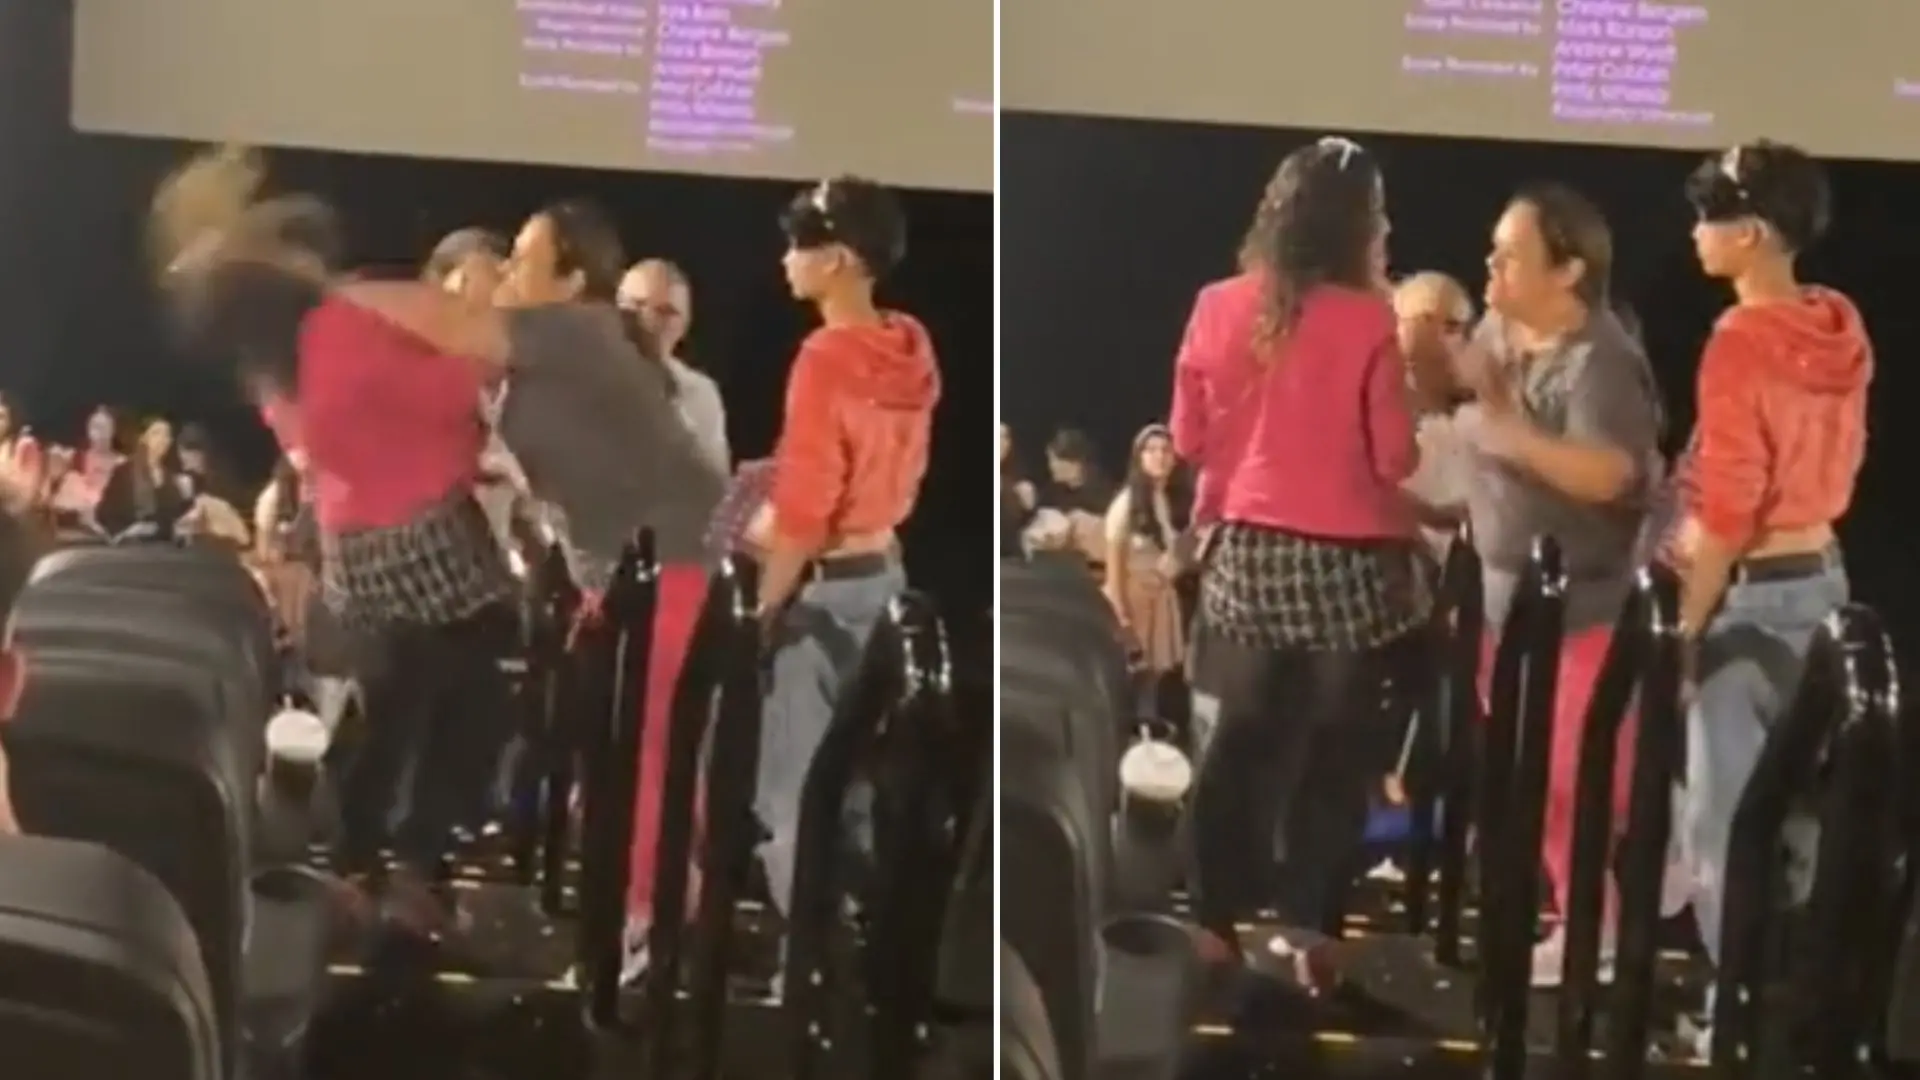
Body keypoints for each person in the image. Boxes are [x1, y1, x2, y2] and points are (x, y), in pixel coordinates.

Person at [149, 145, 537, 938]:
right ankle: (412, 863)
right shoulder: (344, 323)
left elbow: (325, 443)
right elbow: (452, 385)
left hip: (355, 551)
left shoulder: (276, 368)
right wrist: (479, 385)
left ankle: (359, 865)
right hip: (424, 539)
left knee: (395, 704)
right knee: (477, 685)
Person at [1169, 136, 1447, 970]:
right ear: (1359, 224)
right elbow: (1393, 459)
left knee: (1237, 750)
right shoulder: (1370, 318)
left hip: (1250, 561)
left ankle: (1211, 922)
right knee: (1335, 759)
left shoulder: (1216, 304)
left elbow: (1186, 438)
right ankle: (1308, 933)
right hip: (1351, 572)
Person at [489, 198, 727, 982]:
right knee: (625, 758)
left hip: (665, 576)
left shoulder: (580, 353)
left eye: (523, 257)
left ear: (570, 281)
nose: (507, 270)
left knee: (649, 755)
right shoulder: (563, 354)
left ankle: (648, 927)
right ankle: (650, 916)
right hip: (621, 579)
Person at [1668, 141, 1866, 1054]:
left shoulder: (1739, 342)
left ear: (1748, 232)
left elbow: (1730, 511)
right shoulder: (1839, 322)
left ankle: (1734, 1015)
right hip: (1826, 585)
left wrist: (1685, 628)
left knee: (1723, 828)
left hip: (1751, 600)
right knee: (1795, 816)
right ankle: (1790, 1000)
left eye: (1708, 217)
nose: (1695, 234)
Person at [1458, 183, 1664, 985]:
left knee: (1570, 782)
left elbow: (1612, 473)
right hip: (1504, 604)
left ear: (1568, 270)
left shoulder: (1602, 361)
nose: (1492, 266)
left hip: (1580, 613)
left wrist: (1509, 436)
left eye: (1511, 255)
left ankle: (1594, 934)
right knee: (1531, 777)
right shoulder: (1501, 328)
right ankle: (1579, 910)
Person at [748, 176, 939, 942]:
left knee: (791, 795)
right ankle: (861, 950)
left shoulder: (825, 357)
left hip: (825, 595)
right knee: (856, 785)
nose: (786, 260)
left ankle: (811, 965)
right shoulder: (912, 346)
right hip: (886, 580)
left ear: (838, 258)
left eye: (799, 246)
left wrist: (763, 609)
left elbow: (805, 512)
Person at [1102, 424, 1194, 714]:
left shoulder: (1163, 500)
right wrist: (1123, 620)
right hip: (1134, 603)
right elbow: (1114, 569)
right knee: (1129, 679)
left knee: (1151, 681)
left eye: (1165, 450)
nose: (1159, 456)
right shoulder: (1127, 504)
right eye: (1151, 450)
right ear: (1139, 457)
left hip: (1159, 600)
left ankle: (1147, 729)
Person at [618, 258, 731, 472]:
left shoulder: (700, 394)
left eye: (666, 312)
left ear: (685, 325)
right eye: (636, 305)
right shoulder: (577, 379)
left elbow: (714, 481)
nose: (648, 321)